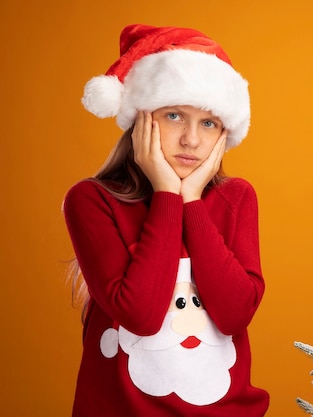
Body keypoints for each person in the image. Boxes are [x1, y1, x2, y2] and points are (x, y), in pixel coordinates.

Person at [63, 24, 269, 417]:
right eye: (175, 116)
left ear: (224, 133)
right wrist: (166, 195)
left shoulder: (236, 198)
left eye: (208, 123)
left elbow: (234, 314)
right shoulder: (92, 200)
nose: (191, 139)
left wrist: (191, 200)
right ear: (139, 120)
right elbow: (140, 315)